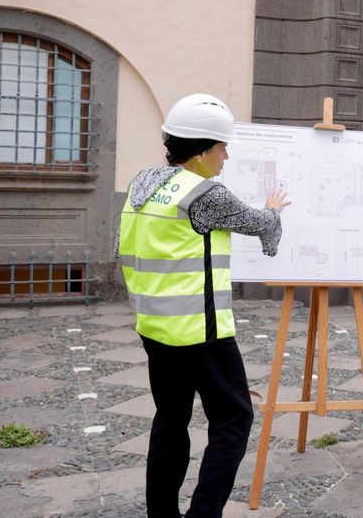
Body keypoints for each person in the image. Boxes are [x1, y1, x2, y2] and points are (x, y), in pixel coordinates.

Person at [117, 93, 290, 518]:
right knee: (234, 421)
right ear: (201, 150)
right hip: (201, 331)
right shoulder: (205, 194)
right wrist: (273, 210)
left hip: (156, 328)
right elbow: (258, 224)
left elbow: (121, 249)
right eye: (222, 147)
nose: (226, 156)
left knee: (170, 421)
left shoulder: (144, 184)